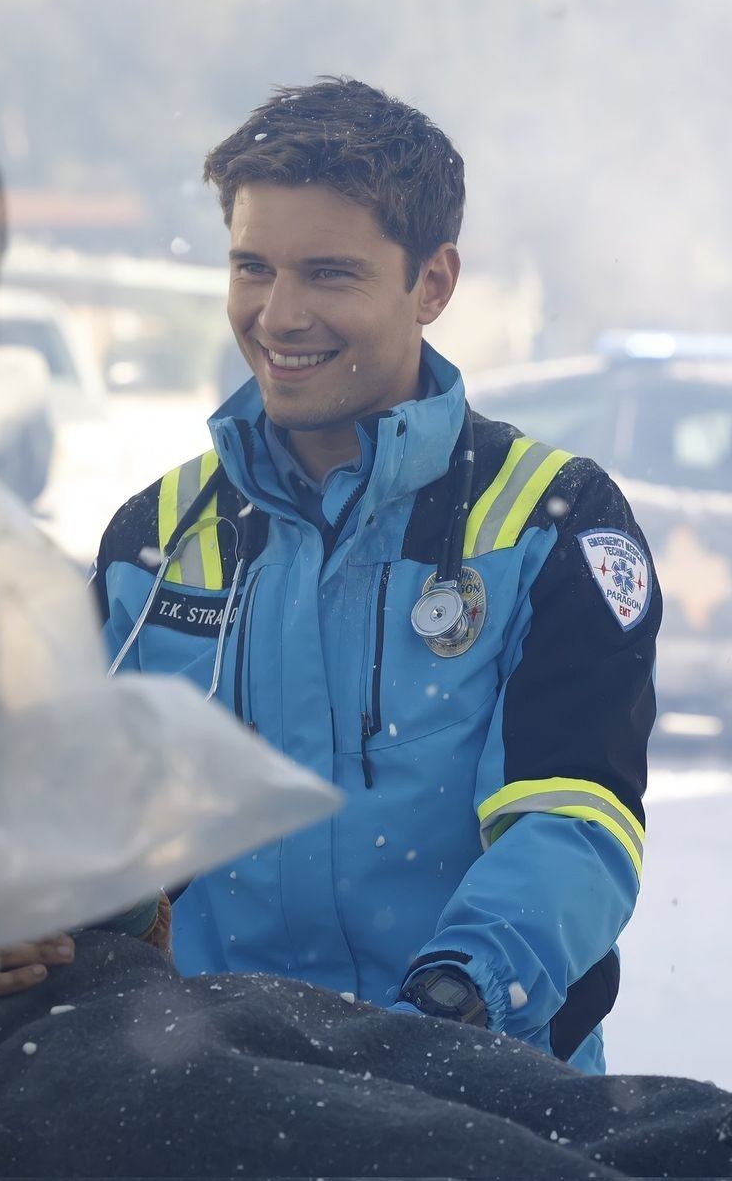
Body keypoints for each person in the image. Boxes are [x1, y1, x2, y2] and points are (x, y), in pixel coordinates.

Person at [88, 77, 660, 1075]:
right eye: (252, 267)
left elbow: (572, 822)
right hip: (209, 1093)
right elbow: (93, 829)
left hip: (480, 1088)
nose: (279, 313)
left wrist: (444, 1012)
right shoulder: (155, 537)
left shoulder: (548, 521)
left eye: (329, 274)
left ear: (431, 284)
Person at [0, 927, 730, 1181]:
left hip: (173, 999)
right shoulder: (136, 573)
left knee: (572, 1116)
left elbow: (570, 815)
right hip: (90, 1035)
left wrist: (462, 986)